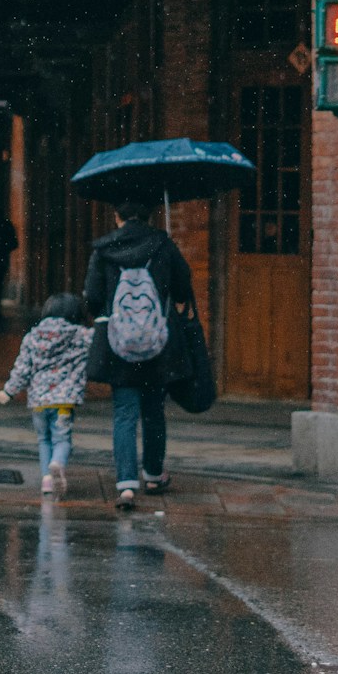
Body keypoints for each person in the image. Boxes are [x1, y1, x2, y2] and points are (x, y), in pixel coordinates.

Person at [85, 198, 194, 512]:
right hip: (158, 344)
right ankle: (154, 474)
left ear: (117, 215)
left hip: (118, 346)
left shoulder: (103, 250)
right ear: (149, 216)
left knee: (124, 413)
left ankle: (126, 485)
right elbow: (183, 289)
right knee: (154, 410)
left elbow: (92, 297)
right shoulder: (163, 245)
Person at [0, 293, 94, 495]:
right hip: (64, 402)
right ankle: (58, 463)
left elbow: (22, 368)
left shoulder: (32, 337)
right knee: (62, 439)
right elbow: (100, 341)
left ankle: (47, 481)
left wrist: (9, 391)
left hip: (39, 402)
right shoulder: (82, 336)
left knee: (43, 440)